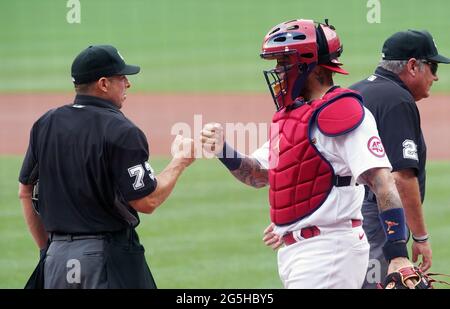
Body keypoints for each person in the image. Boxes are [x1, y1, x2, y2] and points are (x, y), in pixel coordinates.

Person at [200, 19, 416, 289]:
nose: (277, 72)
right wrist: (224, 150)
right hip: (297, 253)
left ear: (310, 68)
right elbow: (257, 174)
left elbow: (382, 180)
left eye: (283, 63)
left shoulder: (343, 112)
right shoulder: (292, 118)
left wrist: (397, 254)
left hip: (330, 250)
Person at [18, 45, 195, 289]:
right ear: (103, 84)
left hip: (56, 261)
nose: (127, 84)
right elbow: (147, 201)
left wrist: (46, 251)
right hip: (105, 260)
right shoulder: (121, 131)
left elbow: (25, 191)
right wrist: (180, 161)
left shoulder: (46, 123)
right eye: (122, 78)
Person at [349, 30, 450, 288]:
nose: (436, 76)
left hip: (346, 214)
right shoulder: (397, 100)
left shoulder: (354, 92)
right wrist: (420, 236)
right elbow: (402, 178)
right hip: (379, 218)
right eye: (433, 66)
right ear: (413, 66)